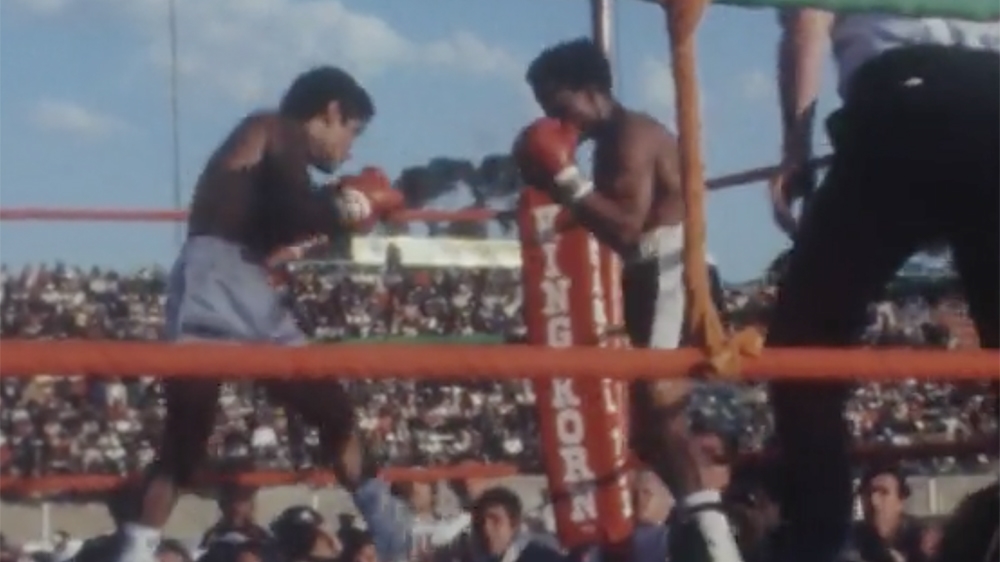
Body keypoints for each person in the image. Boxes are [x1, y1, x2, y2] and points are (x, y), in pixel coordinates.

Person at [114, 65, 405, 562]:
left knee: (328, 409)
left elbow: (282, 219)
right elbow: (297, 212)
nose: (349, 148)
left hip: (238, 282)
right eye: (351, 131)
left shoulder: (272, 164)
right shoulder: (276, 128)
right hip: (218, 279)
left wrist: (345, 209)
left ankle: (393, 530)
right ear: (331, 112)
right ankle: (393, 534)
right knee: (191, 437)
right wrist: (348, 207)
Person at [767, 9, 998, 562]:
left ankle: (819, 539)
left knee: (803, 344)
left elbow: (807, 24)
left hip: (902, 105)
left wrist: (795, 148)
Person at [514, 37, 742, 562]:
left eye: (558, 101)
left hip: (667, 270)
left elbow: (629, 230)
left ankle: (719, 540)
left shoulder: (631, 137)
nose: (554, 115)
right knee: (644, 425)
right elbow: (610, 219)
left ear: (591, 91)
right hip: (647, 277)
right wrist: (559, 189)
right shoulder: (611, 141)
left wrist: (564, 180)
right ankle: (707, 525)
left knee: (660, 411)